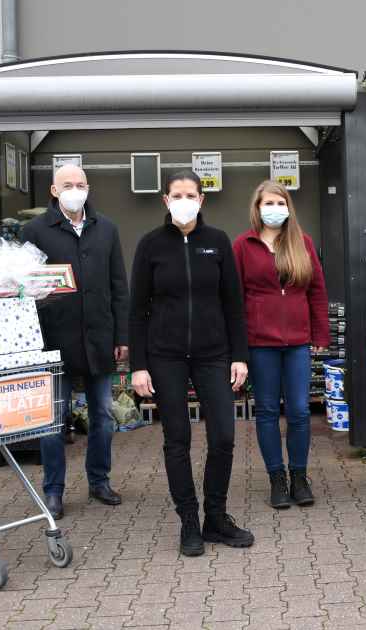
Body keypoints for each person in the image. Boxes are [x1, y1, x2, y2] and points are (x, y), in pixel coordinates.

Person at [129, 170, 253, 557]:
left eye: (191, 194)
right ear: (166, 201)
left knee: (223, 436)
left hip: (213, 353)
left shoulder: (217, 243)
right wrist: (139, 365)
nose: (184, 200)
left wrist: (240, 356)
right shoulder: (150, 246)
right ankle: (188, 520)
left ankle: (216, 516)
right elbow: (136, 311)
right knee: (177, 438)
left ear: (202, 200)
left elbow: (234, 304)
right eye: (176, 194)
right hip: (164, 356)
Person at [20, 164, 128, 520]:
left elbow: (118, 287)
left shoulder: (107, 229)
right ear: (53, 190)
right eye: (67, 184)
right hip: (54, 340)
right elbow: (23, 290)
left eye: (80, 184)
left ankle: (99, 480)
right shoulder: (34, 232)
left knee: (103, 415)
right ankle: (54, 490)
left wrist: (121, 336)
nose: (75, 189)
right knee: (53, 421)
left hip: (99, 336)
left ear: (88, 187)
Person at [232, 181, 330, 510]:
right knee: (268, 412)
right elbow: (234, 298)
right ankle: (277, 478)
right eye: (268, 202)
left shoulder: (302, 242)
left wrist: (320, 334)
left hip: (298, 343)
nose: (274, 208)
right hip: (260, 344)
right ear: (257, 208)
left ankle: (299, 476)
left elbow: (316, 291)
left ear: (288, 206)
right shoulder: (243, 246)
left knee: (301, 411)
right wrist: (238, 348)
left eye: (280, 201)